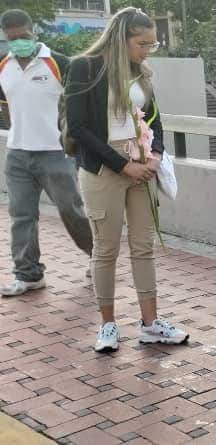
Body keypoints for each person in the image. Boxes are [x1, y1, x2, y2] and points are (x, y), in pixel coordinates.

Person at [64, 7, 188, 352]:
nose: (146, 50)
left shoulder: (141, 72)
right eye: (141, 43)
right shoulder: (84, 68)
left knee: (143, 247)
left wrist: (157, 155)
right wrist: (122, 165)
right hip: (105, 169)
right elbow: (78, 128)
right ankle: (107, 326)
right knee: (105, 249)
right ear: (122, 37)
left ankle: (151, 324)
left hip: (142, 166)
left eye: (151, 44)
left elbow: (156, 120)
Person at [0, 9, 93, 297]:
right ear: (5, 37)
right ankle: (28, 275)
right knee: (22, 215)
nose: (19, 43)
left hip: (56, 152)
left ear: (34, 31)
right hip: (17, 153)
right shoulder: (4, 66)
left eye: (24, 36)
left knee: (71, 210)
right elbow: (8, 103)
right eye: (12, 39)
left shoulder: (59, 63)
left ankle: (98, 257)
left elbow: (81, 102)